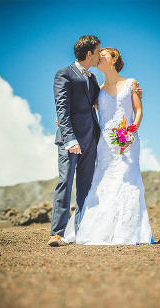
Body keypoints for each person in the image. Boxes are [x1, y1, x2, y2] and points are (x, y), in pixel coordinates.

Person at [62, 48, 153, 244]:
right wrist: (64, 116)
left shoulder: (131, 83)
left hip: (128, 141)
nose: (99, 57)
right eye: (98, 55)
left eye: (103, 55)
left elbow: (138, 112)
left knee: (128, 182)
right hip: (104, 144)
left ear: (114, 60)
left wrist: (131, 132)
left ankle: (126, 232)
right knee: (103, 184)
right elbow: (83, 107)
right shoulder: (98, 88)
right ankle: (96, 230)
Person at [49, 35, 103, 247]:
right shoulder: (64, 74)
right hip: (70, 141)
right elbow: (61, 108)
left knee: (85, 187)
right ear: (89, 54)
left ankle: (81, 231)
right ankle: (57, 233)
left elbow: (102, 100)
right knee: (65, 182)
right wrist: (69, 138)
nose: (99, 56)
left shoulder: (92, 79)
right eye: (98, 52)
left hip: (91, 139)